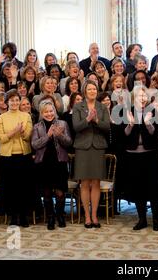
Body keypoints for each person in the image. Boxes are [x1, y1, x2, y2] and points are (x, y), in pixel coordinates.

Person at [121, 87, 158, 231]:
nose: (142, 97)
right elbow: (124, 135)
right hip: (133, 155)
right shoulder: (126, 111)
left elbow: (156, 133)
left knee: (153, 188)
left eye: (144, 95)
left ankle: (156, 220)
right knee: (138, 188)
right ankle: (142, 219)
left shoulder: (153, 111)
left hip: (150, 155)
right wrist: (131, 124)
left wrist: (147, 123)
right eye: (139, 95)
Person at [72, 80, 110, 228]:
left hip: (98, 146)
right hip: (82, 147)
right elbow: (76, 126)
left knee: (96, 182)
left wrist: (97, 120)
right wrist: (87, 119)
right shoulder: (78, 106)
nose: (92, 91)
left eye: (94, 89)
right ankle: (86, 216)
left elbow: (107, 127)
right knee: (85, 183)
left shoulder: (102, 107)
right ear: (84, 91)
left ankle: (94, 215)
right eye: (89, 89)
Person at [32, 100, 72, 230]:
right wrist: (48, 136)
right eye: (46, 112)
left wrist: (59, 135)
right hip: (43, 164)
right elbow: (35, 145)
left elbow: (69, 143)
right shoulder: (37, 127)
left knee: (60, 193)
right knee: (47, 193)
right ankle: (50, 217)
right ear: (42, 113)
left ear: (54, 111)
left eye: (51, 111)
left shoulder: (63, 124)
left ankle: (60, 215)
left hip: (59, 163)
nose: (49, 114)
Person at [0, 89, 34, 227]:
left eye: (17, 100)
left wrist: (23, 132)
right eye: (12, 100)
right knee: (10, 188)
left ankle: (24, 216)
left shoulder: (26, 116)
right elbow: (1, 138)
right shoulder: (1, 118)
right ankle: (13, 216)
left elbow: (28, 137)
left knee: (23, 188)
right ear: (7, 102)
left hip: (24, 157)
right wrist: (14, 132)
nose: (15, 102)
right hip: (8, 157)